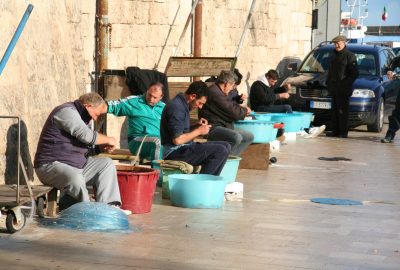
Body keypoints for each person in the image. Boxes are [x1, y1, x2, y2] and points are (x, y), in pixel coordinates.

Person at [34, 93, 125, 212]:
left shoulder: (83, 118)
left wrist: (100, 149)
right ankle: (85, 212)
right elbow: (86, 136)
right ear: (88, 106)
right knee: (75, 178)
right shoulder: (66, 112)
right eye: (96, 114)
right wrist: (109, 139)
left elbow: (83, 149)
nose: (95, 118)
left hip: (75, 166)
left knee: (106, 164)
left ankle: (109, 208)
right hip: (50, 166)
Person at [160, 81, 231, 175]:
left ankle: (208, 180)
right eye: (200, 103)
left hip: (183, 148)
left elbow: (181, 131)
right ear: (192, 96)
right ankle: (203, 183)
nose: (200, 107)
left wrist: (196, 125)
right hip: (174, 152)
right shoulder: (176, 108)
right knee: (220, 150)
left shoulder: (182, 104)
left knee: (226, 146)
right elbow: (177, 140)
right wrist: (199, 131)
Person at [199, 70, 254, 156]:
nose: (232, 88)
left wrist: (242, 109)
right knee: (236, 137)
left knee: (248, 136)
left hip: (224, 125)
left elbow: (231, 105)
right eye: (232, 85)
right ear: (226, 84)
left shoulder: (220, 91)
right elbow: (232, 112)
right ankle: (222, 160)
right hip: (212, 127)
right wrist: (245, 111)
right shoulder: (215, 93)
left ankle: (229, 159)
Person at [107, 82, 165, 160]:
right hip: (137, 141)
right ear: (147, 91)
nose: (151, 99)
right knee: (157, 142)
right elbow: (112, 106)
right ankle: (157, 172)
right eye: (149, 95)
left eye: (155, 97)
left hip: (159, 142)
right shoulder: (134, 102)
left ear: (161, 97)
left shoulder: (164, 108)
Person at [325, 35, 359, 138]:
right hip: (334, 88)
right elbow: (331, 71)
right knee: (334, 111)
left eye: (338, 43)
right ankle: (335, 130)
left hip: (343, 89)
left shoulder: (350, 56)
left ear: (344, 43)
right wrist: (328, 83)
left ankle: (343, 132)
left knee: (342, 111)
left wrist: (344, 84)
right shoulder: (333, 55)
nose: (336, 45)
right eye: (335, 43)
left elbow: (354, 74)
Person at [381, 56, 400, 143]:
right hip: (397, 88)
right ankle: (390, 133)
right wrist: (389, 71)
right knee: (393, 110)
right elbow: (392, 65)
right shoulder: (398, 59)